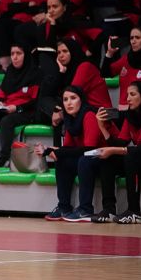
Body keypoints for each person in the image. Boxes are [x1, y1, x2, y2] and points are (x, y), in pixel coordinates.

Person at [92, 81, 141, 224]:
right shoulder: (130, 115)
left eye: (132, 94)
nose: (128, 98)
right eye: (127, 94)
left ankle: (134, 211)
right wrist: (102, 127)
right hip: (140, 160)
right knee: (107, 160)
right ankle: (109, 209)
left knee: (130, 157)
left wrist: (112, 150)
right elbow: (120, 143)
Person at [35, 85, 106, 222]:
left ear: (81, 100)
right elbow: (68, 148)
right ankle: (64, 207)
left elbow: (89, 149)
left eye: (73, 98)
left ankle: (85, 209)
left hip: (104, 158)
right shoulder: (69, 119)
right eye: (65, 99)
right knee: (62, 161)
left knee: (83, 160)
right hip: (86, 157)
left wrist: (55, 151)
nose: (69, 103)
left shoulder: (89, 115)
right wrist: (51, 150)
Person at [0, 44, 38, 168]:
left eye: (18, 53)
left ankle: (4, 157)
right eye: (12, 54)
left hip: (25, 111)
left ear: (26, 55)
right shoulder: (10, 71)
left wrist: (17, 108)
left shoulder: (35, 73)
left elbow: (35, 100)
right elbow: (1, 92)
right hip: (6, 109)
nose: (15, 57)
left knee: (6, 121)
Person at [100, 25, 141, 112]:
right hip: (123, 112)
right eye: (131, 38)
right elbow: (105, 73)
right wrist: (109, 53)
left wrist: (135, 110)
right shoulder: (126, 59)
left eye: (137, 38)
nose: (133, 41)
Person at [56, 37, 111, 110]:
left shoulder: (85, 66)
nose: (61, 55)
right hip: (87, 110)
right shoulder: (69, 70)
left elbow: (70, 94)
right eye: (58, 53)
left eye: (65, 51)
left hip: (101, 112)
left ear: (73, 51)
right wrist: (61, 72)